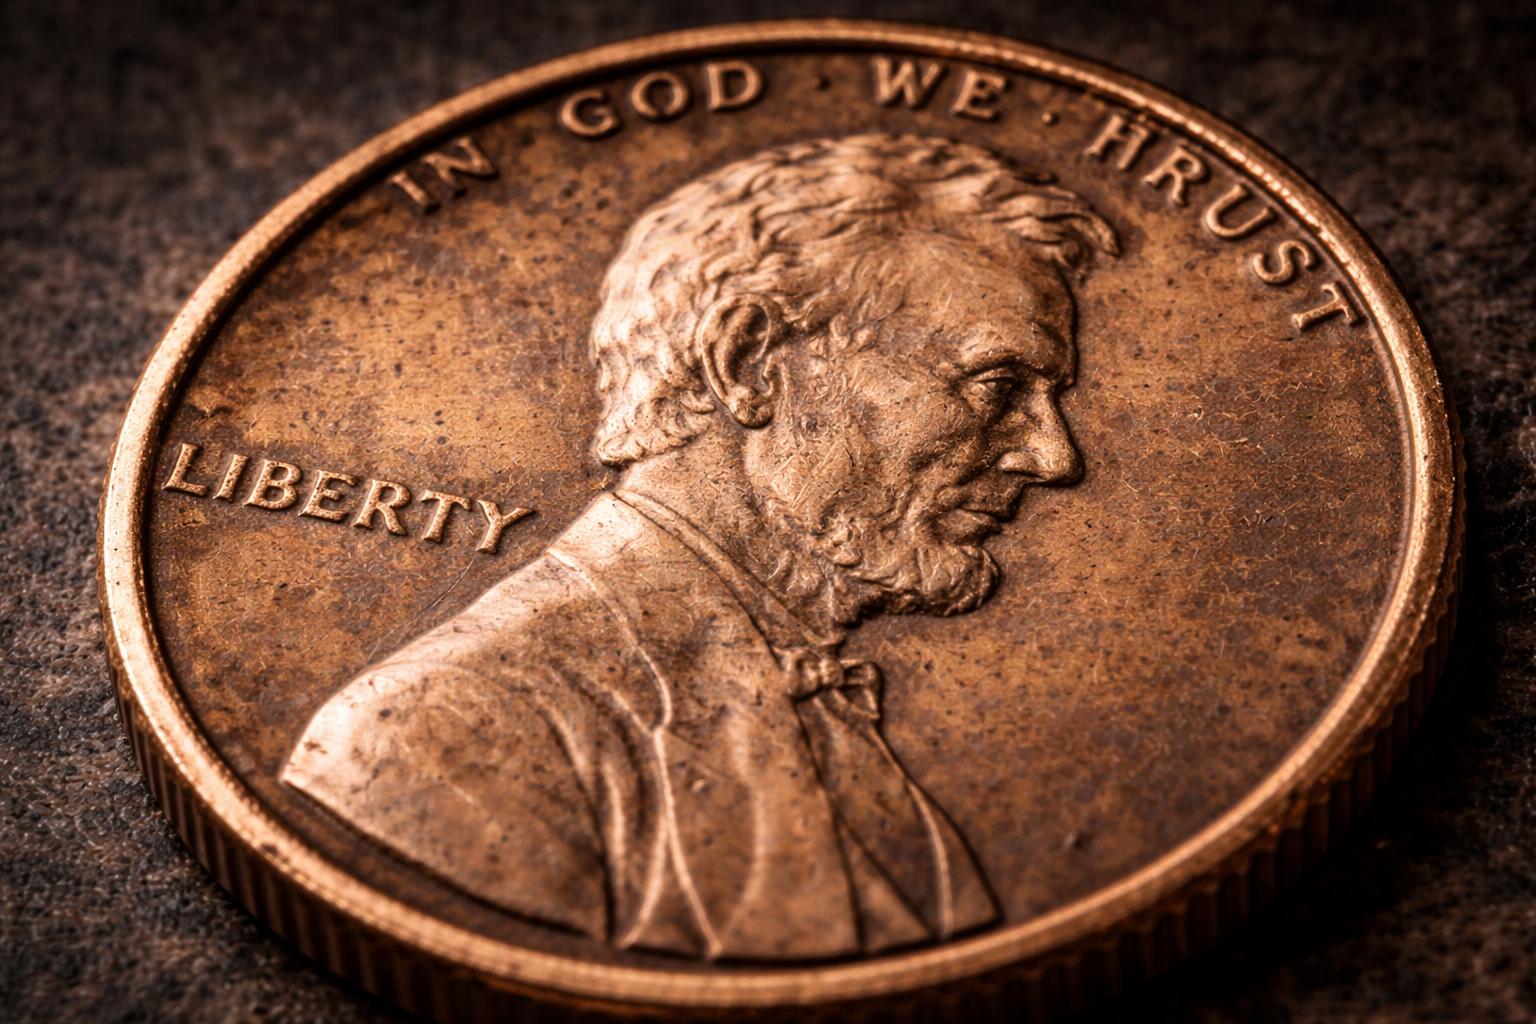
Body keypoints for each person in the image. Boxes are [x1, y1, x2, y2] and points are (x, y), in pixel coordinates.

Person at [283, 133, 1118, 961]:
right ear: (747, 361)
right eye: (998, 386)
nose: (1053, 456)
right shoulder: (434, 731)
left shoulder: (805, 681)